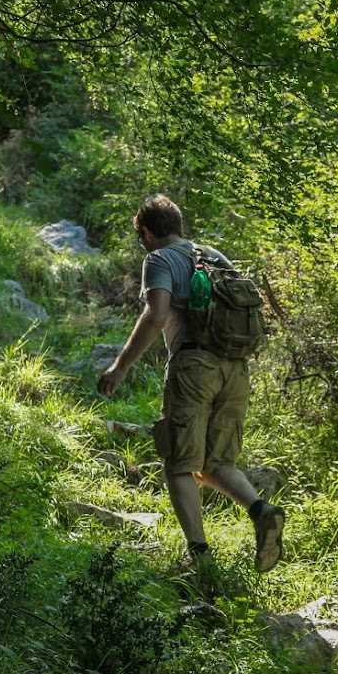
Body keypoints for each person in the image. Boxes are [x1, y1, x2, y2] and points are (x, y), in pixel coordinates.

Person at [97, 194, 285, 572]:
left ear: (147, 233)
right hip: (236, 368)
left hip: (194, 366)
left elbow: (156, 314)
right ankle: (262, 510)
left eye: (140, 237)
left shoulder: (159, 259)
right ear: (178, 225)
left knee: (180, 463)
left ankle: (200, 558)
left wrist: (119, 368)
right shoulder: (214, 255)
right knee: (215, 463)